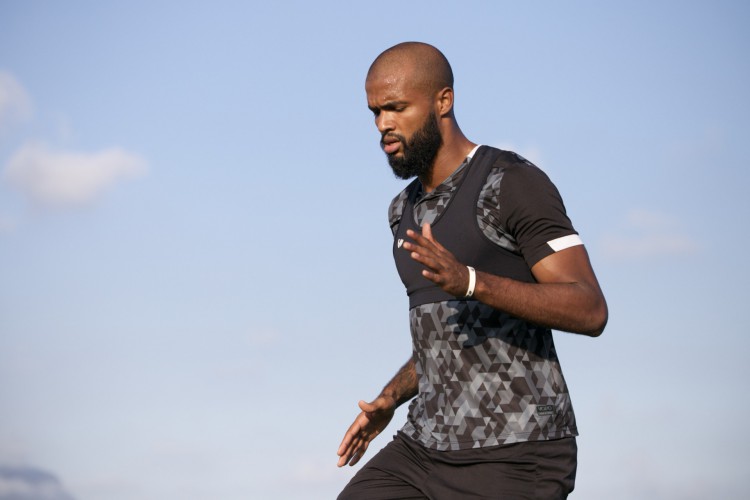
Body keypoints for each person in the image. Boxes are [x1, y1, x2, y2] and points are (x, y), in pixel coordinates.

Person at [336, 41, 607, 499]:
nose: (383, 124)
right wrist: (391, 397)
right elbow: (448, 339)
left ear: (444, 100)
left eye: (396, 108)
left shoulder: (511, 181)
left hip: (519, 453)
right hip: (424, 448)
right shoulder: (403, 210)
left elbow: (589, 308)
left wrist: (471, 282)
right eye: (375, 111)